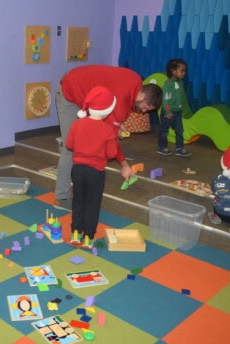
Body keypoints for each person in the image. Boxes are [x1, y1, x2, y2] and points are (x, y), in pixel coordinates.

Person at [54, 65, 162, 210]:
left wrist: (116, 125)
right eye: (145, 107)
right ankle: (63, 197)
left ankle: (81, 189)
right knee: (71, 148)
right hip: (69, 93)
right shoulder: (122, 100)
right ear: (142, 96)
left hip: (79, 84)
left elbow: (113, 111)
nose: (143, 112)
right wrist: (124, 165)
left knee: (89, 142)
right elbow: (111, 140)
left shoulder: (136, 82)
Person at [67, 86, 119, 249]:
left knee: (78, 201)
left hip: (77, 170)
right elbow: (112, 153)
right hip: (95, 172)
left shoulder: (77, 124)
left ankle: (75, 233)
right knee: (92, 204)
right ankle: (88, 237)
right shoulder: (107, 129)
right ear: (107, 111)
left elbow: (69, 144)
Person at [157, 58, 191, 157]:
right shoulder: (168, 84)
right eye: (182, 70)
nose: (184, 73)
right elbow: (166, 99)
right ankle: (162, 147)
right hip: (168, 112)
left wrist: (180, 109)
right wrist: (168, 112)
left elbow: (179, 97)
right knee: (164, 131)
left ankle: (179, 148)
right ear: (173, 71)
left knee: (180, 131)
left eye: (185, 71)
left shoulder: (180, 83)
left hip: (177, 112)